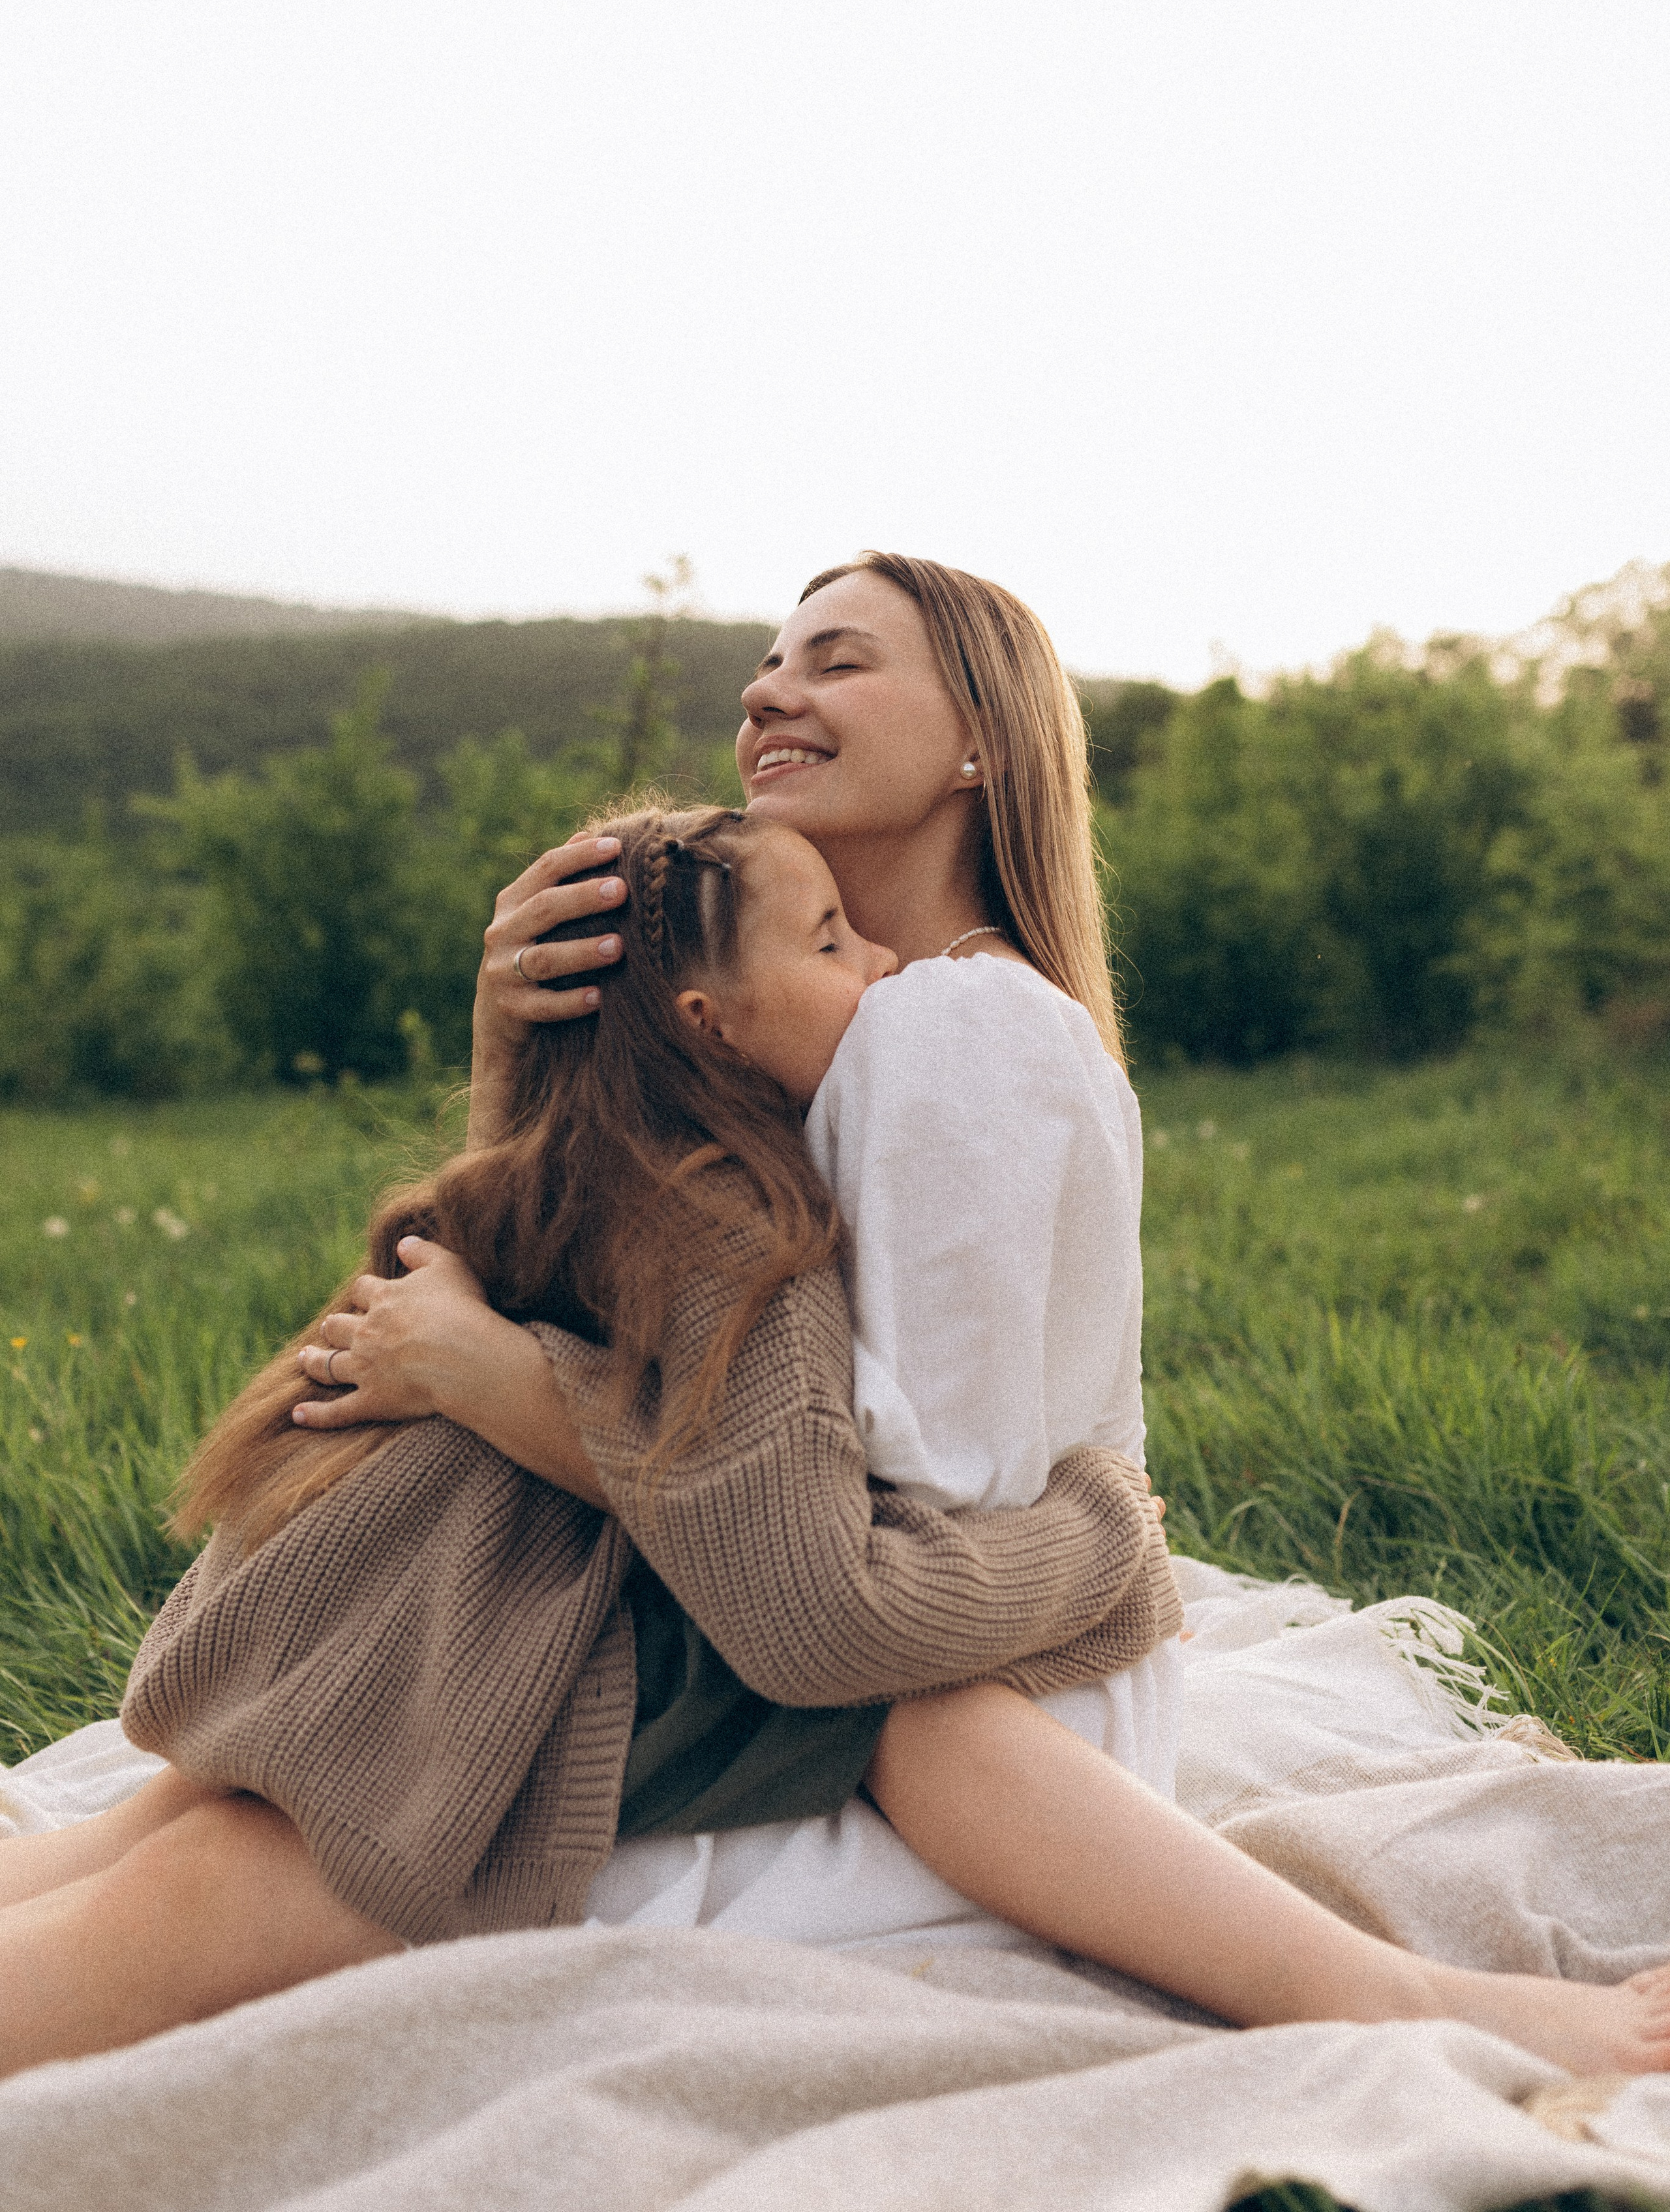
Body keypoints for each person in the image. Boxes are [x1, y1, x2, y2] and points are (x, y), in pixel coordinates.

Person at [4, 556, 1669, 2081]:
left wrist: (1101, 1539)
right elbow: (623, 1268)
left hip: (950, 1673)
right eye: (765, 660)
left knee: (264, 1844)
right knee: (214, 1805)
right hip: (784, 1613)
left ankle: (1399, 2002)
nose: (767, 691)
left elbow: (856, 1548)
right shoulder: (848, 1026)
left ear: (978, 745)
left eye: (838, 658)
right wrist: (536, 1043)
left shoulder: (952, 1035)